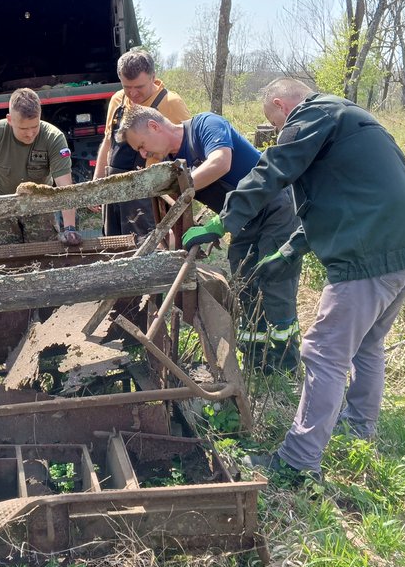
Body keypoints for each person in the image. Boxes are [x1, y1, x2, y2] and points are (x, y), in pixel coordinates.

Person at [183, 78, 405, 483]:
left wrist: (221, 221)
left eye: (276, 125)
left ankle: (298, 463)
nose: (280, 131)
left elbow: (273, 170)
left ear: (282, 106)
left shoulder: (312, 114)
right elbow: (346, 193)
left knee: (323, 353)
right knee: (367, 344)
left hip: (369, 252)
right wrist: (295, 246)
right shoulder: (353, 118)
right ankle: (358, 429)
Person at [116, 105, 303, 371]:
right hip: (243, 220)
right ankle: (255, 358)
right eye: (140, 151)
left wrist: (180, 190)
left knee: (275, 279)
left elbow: (220, 162)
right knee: (244, 281)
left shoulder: (205, 125)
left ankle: (286, 362)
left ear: (154, 126)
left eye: (142, 146)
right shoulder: (174, 163)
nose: (144, 154)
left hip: (276, 207)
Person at [0, 87, 83, 247]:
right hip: (0, 201)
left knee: (45, 256)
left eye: (34, 127)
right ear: (10, 120)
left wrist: (69, 227)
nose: (30, 134)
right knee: (1, 260)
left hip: (38, 202)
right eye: (23, 129)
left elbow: (64, 187)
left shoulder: (53, 138)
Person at [93, 49, 189, 238]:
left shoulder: (171, 103)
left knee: (146, 249)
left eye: (139, 87)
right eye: (127, 87)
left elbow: (187, 148)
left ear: (153, 76)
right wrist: (97, 183)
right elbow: (107, 141)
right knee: (114, 245)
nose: (133, 93)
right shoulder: (117, 100)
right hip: (114, 191)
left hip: (148, 196)